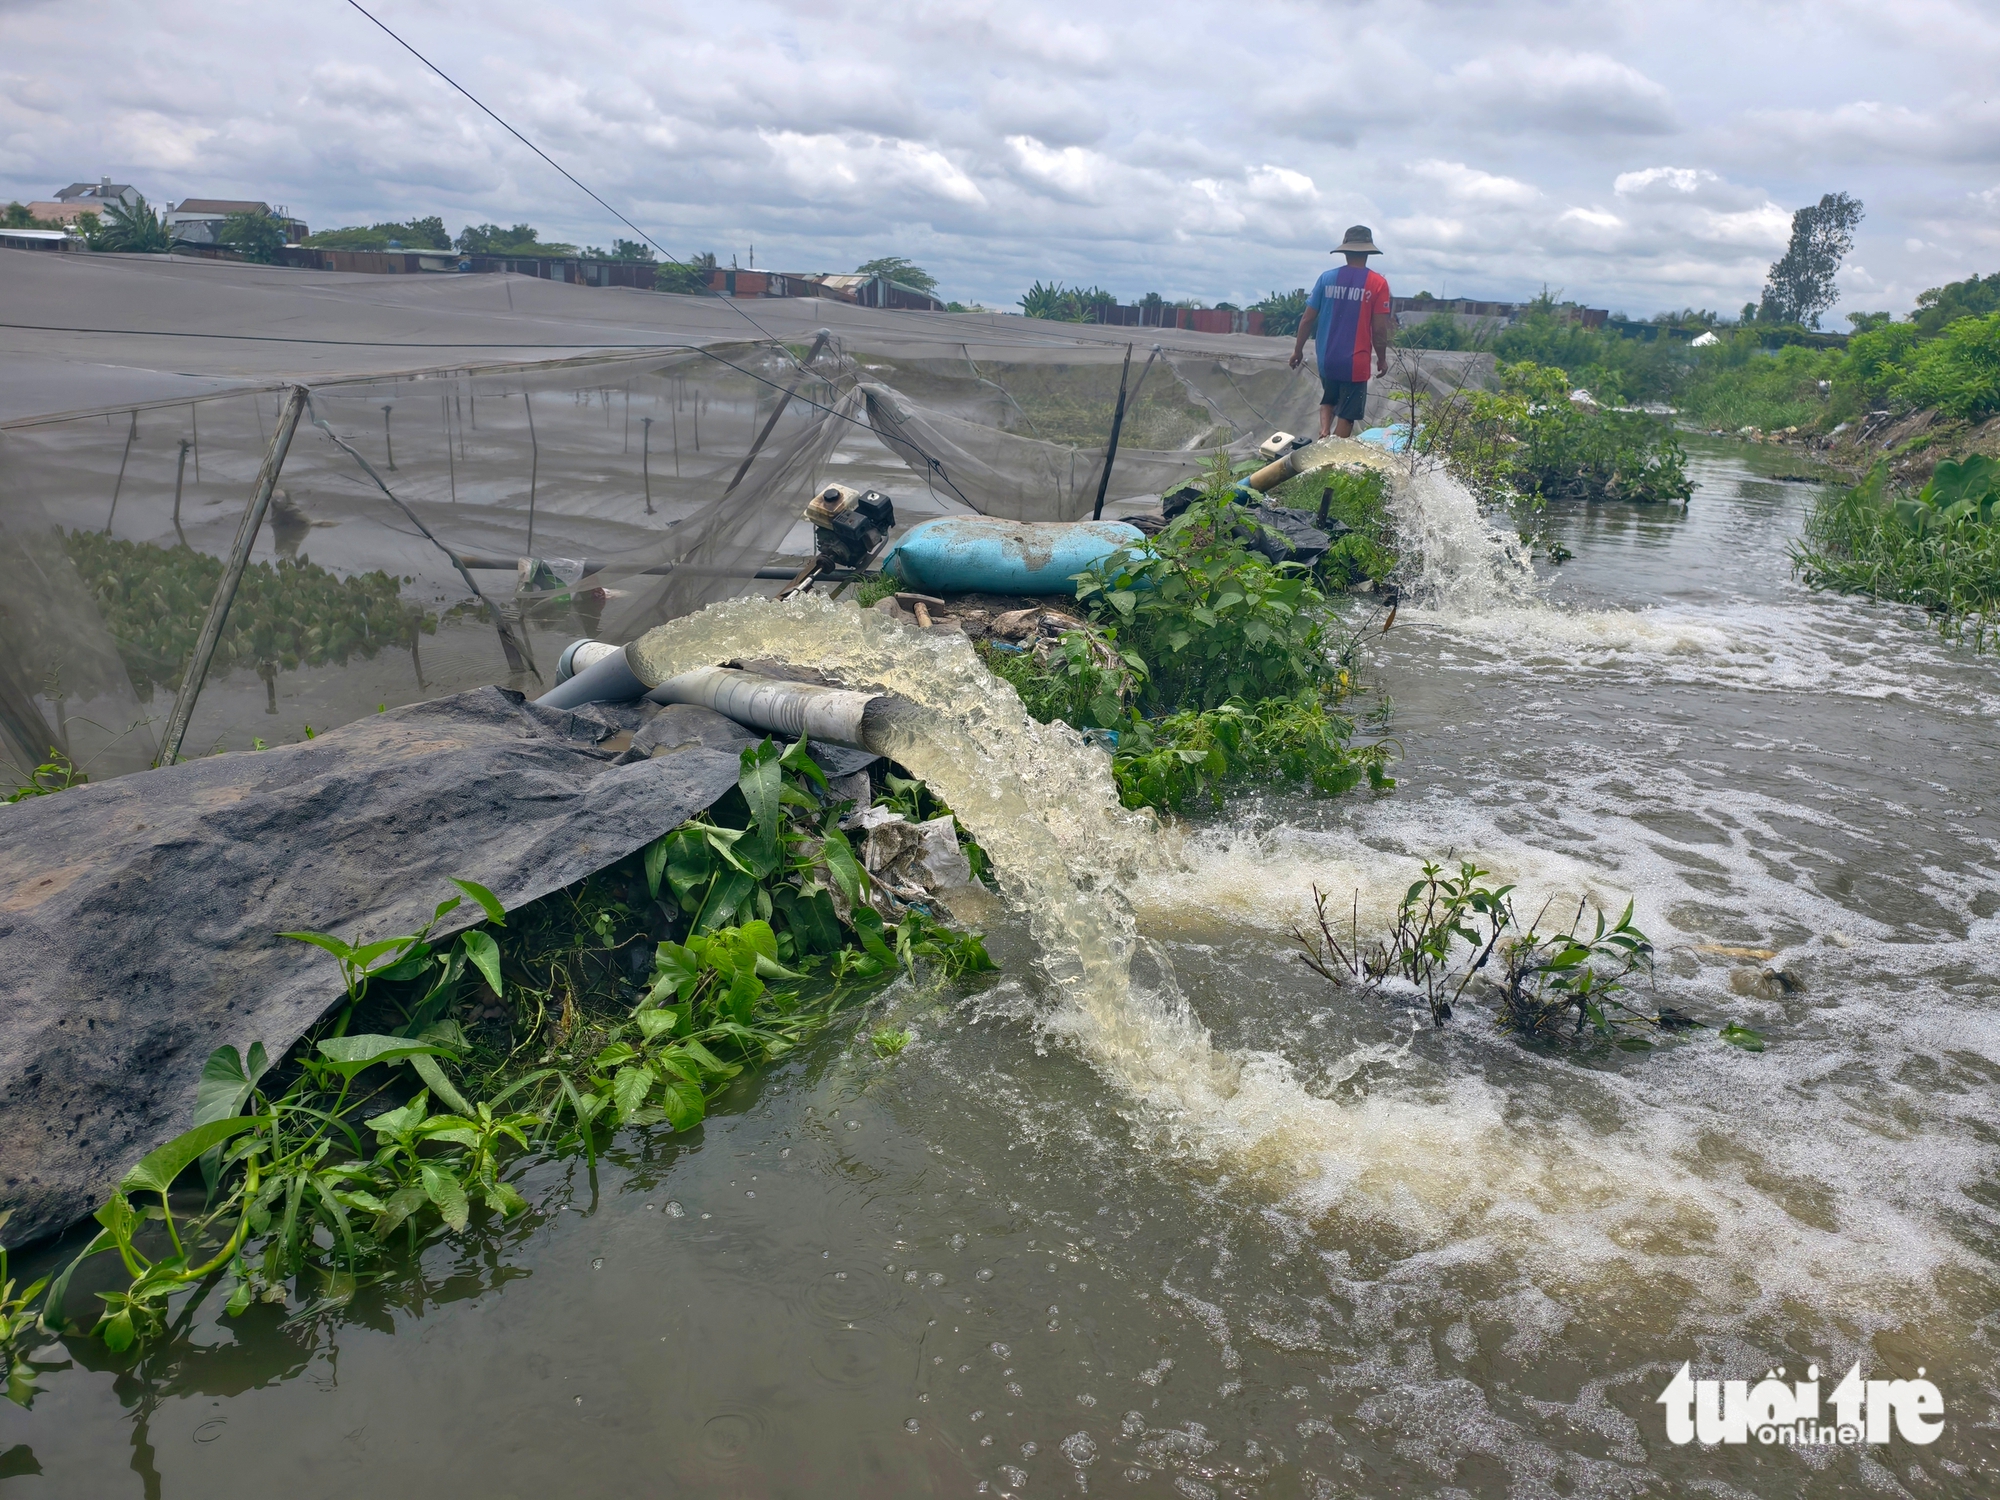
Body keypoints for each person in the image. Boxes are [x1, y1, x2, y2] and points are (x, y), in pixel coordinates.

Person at [1288, 225, 1393, 439]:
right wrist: (1382, 359)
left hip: (1327, 358)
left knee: (1329, 398)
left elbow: (1307, 319)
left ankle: (1324, 432)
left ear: (1345, 251)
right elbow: (1379, 329)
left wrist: (1297, 351)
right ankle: (1331, 458)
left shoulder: (1326, 279)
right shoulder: (1378, 283)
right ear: (1367, 253)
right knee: (1347, 415)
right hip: (1356, 361)